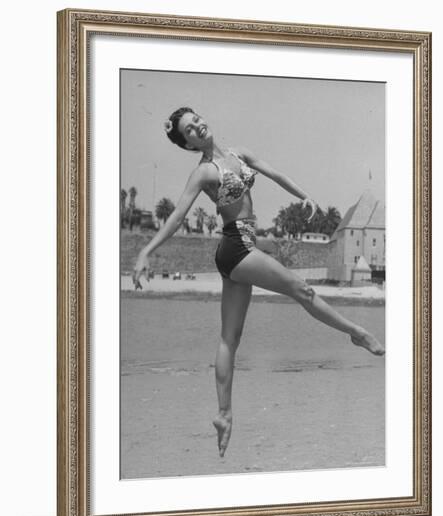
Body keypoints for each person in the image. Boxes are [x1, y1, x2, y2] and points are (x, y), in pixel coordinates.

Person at [133, 106, 385, 458]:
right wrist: (145, 252)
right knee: (303, 290)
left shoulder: (239, 154)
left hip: (244, 246)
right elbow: (177, 217)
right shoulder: (204, 172)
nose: (198, 127)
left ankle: (223, 414)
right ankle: (356, 332)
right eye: (189, 130)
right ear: (187, 143)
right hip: (236, 247)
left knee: (229, 339)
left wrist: (304, 195)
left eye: (197, 120)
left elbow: (275, 173)